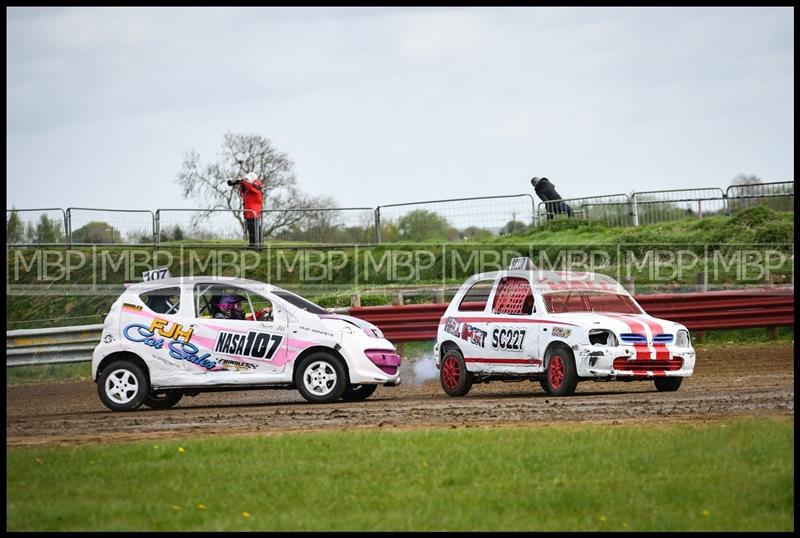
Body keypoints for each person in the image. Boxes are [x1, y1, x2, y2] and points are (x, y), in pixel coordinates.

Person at [228, 172, 264, 247]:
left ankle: (258, 245)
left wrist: (243, 180)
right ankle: (252, 244)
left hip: (254, 212)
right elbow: (242, 193)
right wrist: (240, 182)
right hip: (249, 212)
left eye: (248, 179)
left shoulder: (256, 188)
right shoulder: (249, 189)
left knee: (255, 229)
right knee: (251, 230)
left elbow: (251, 187)